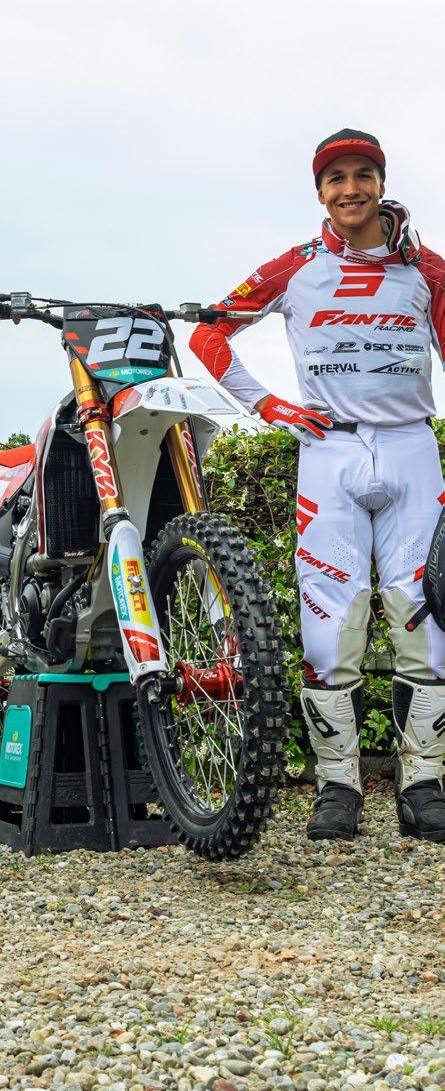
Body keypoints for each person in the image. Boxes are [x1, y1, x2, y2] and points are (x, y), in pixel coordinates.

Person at [191, 130, 445, 843]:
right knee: (329, 631)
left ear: (381, 182)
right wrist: (267, 405)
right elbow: (208, 333)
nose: (350, 189)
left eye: (363, 175)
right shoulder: (295, 266)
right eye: (336, 178)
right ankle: (337, 788)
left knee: (427, 622)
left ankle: (423, 786)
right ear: (319, 192)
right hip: (327, 451)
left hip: (410, 448)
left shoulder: (426, 267)